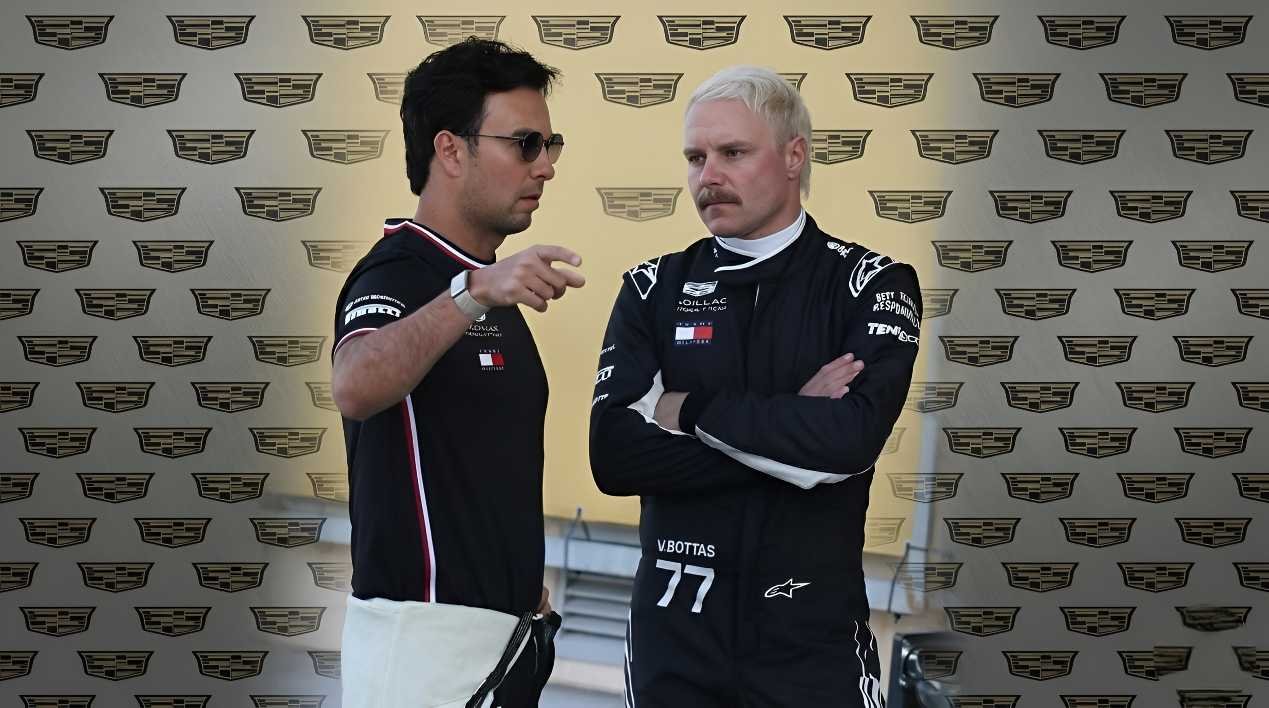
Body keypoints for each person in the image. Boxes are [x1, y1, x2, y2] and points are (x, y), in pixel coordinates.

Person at [589, 65, 921, 707]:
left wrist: (685, 412)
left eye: (733, 153)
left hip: (813, 648)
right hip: (674, 645)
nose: (708, 177)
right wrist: (792, 423)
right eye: (695, 158)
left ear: (794, 156)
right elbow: (614, 455)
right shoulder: (652, 287)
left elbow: (848, 441)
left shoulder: (872, 284)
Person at [331, 38, 584, 708]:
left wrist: (516, 588)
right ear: (450, 150)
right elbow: (354, 384)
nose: (544, 167)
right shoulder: (401, 270)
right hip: (420, 653)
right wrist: (471, 292)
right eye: (525, 144)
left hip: (497, 647)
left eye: (550, 146)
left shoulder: (485, 284)